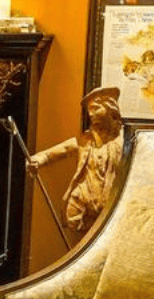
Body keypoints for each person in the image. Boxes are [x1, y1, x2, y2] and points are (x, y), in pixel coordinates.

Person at [29, 86, 123, 239]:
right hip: (83, 198)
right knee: (77, 231)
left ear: (110, 109)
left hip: (110, 203)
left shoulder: (123, 142)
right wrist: (38, 160)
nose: (91, 114)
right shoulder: (85, 141)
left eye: (96, 108)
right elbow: (60, 150)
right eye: (89, 110)